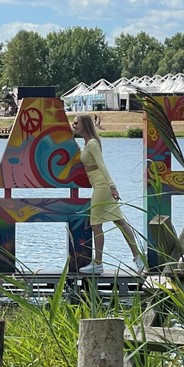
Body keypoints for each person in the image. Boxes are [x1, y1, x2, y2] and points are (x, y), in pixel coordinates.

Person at [73, 114, 143, 274]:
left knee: (96, 225)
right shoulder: (87, 144)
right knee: (120, 222)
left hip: (102, 186)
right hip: (99, 185)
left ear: (84, 124)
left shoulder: (92, 144)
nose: (74, 125)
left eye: (77, 123)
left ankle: (98, 263)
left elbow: (102, 165)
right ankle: (138, 258)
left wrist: (112, 186)